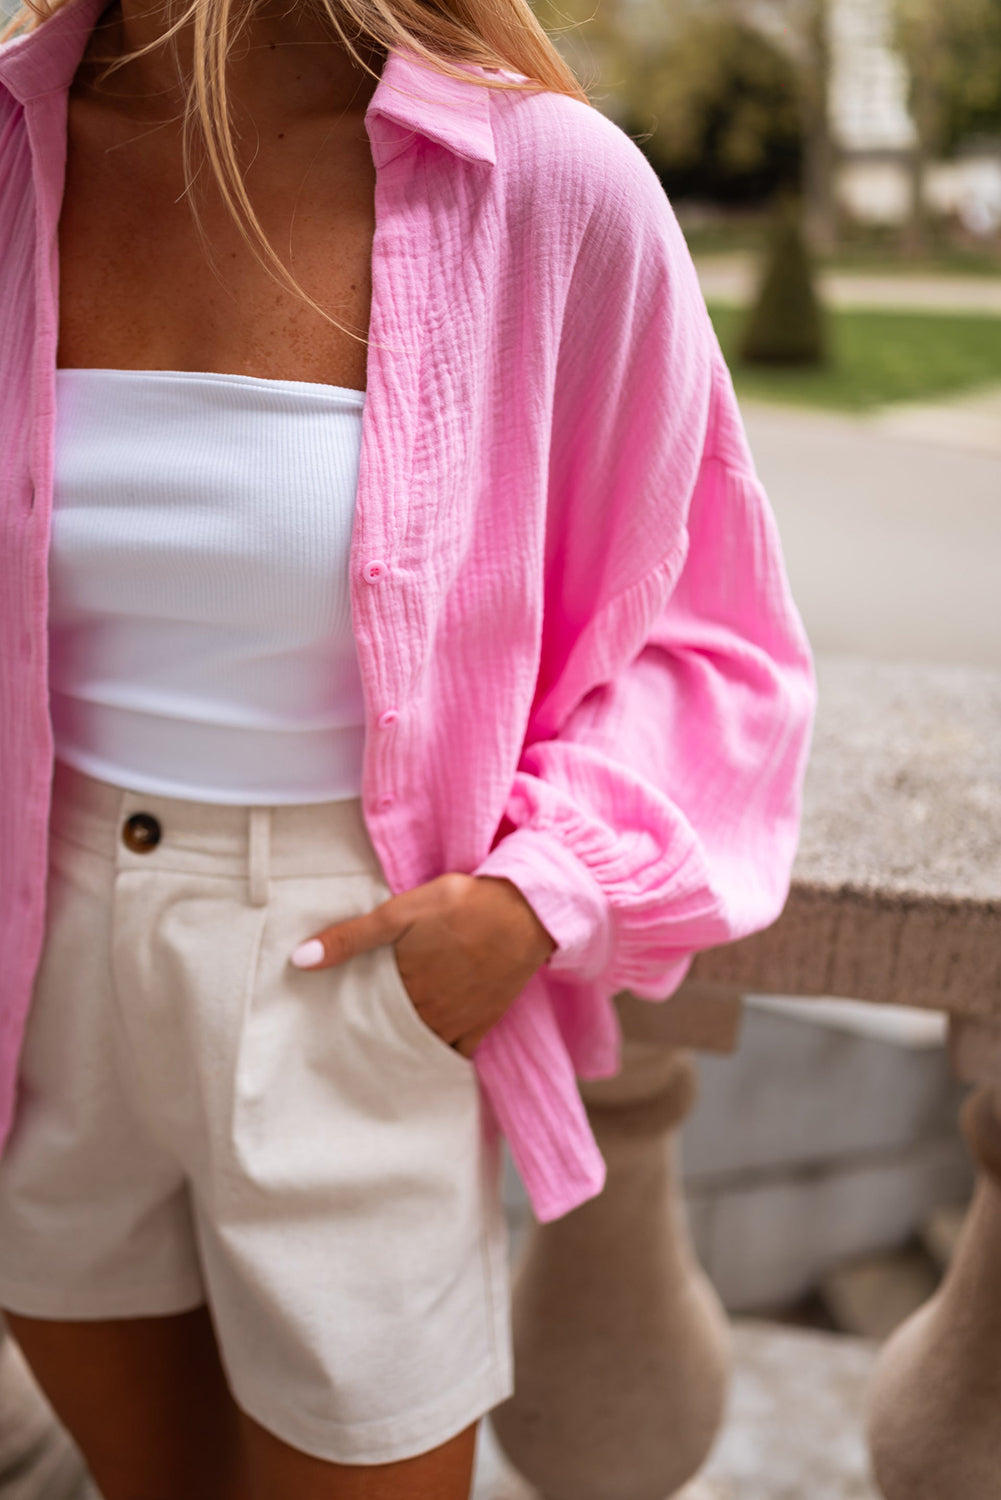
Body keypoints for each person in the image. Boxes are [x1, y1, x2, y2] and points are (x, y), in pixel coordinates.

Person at [0, 0, 817, 1492]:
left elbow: (717, 645)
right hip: (36, 983)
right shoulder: (8, 151)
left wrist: (533, 897)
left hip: (351, 973)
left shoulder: (548, 187)